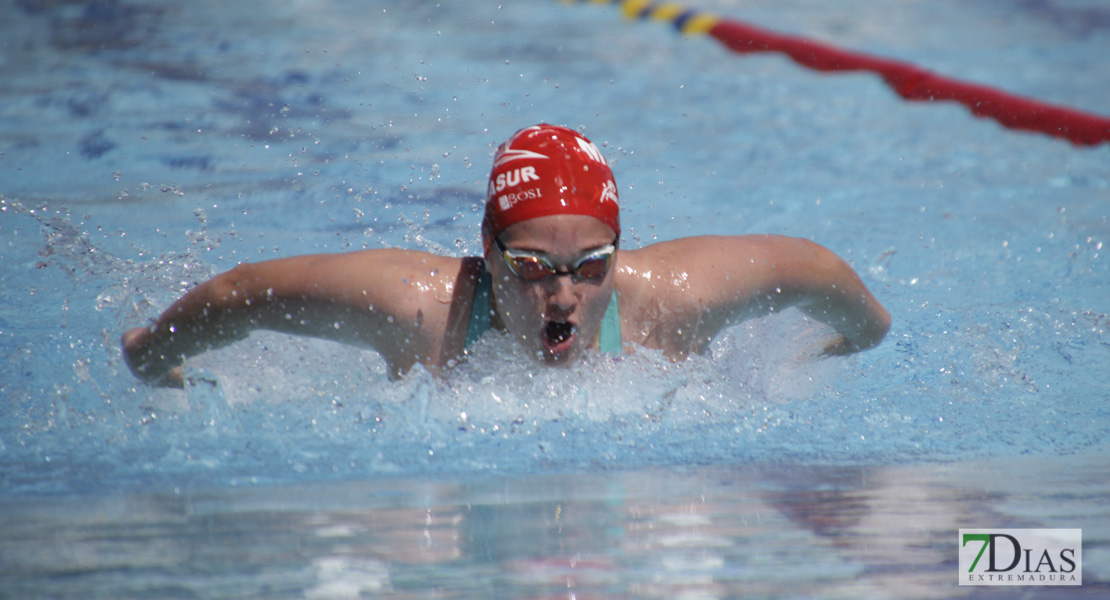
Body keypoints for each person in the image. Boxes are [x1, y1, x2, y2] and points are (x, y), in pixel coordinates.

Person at [122, 124, 890, 387]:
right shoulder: (421, 309)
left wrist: (858, 337)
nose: (563, 295)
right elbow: (240, 292)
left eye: (591, 265)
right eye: (529, 267)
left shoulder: (672, 299)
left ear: (618, 252)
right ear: (488, 252)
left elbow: (814, 268)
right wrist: (155, 354)